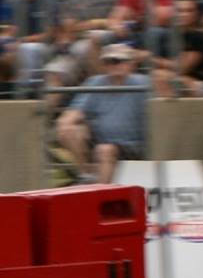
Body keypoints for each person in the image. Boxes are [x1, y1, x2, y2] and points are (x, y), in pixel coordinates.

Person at [58, 45, 148, 183]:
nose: (113, 65)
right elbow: (73, 114)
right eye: (108, 61)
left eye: (118, 60)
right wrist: (67, 123)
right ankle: (87, 174)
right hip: (101, 141)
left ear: (131, 64)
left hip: (134, 145)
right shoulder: (95, 82)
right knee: (68, 129)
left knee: (104, 150)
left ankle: (101, 194)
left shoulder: (143, 82)